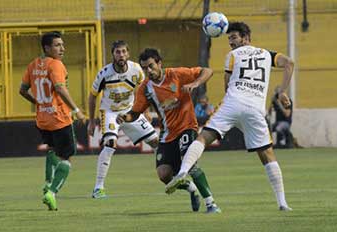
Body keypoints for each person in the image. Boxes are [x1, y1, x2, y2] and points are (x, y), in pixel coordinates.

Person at [166, 22, 294, 211]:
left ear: (246, 37)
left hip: (233, 102)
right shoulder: (268, 54)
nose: (231, 42)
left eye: (234, 37)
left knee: (204, 137)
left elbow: (227, 85)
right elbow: (289, 63)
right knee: (267, 154)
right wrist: (282, 91)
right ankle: (282, 203)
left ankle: (183, 172)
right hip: (255, 107)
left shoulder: (232, 56)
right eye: (229, 39)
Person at [116, 48, 221, 213]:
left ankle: (211, 204)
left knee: (190, 162)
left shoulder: (177, 74)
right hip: (167, 134)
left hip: (187, 127)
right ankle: (191, 188)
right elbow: (135, 113)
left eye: (151, 66)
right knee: (164, 175)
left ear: (159, 63)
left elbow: (208, 71)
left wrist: (195, 83)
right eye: (144, 68)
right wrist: (125, 117)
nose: (148, 71)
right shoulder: (145, 88)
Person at [19, 31, 86, 211]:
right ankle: (52, 192)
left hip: (43, 120)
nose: (62, 48)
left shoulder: (33, 65)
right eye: (57, 45)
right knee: (66, 157)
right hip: (60, 119)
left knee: (52, 150)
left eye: (62, 45)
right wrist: (77, 110)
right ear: (47, 48)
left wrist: (39, 103)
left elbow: (22, 90)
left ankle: (48, 182)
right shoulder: (56, 64)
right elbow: (59, 88)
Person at [87, 40, 158, 199]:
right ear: (113, 54)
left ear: (128, 54)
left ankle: (171, 174)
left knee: (156, 142)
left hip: (130, 111)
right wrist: (91, 122)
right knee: (110, 144)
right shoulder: (104, 73)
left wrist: (145, 110)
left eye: (124, 52)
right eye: (118, 52)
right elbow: (92, 97)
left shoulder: (136, 69)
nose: (121, 55)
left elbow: (142, 90)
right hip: (110, 112)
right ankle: (98, 188)